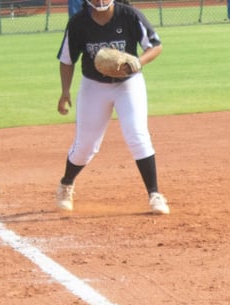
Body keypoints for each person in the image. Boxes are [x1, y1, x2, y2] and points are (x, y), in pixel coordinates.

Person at [54, 0, 168, 215]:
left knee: (137, 135)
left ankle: (155, 194)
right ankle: (66, 184)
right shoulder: (78, 23)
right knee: (86, 146)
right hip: (94, 87)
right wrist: (65, 91)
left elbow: (155, 45)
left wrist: (139, 61)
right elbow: (67, 60)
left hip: (128, 84)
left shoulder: (130, 15)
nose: (100, 1)